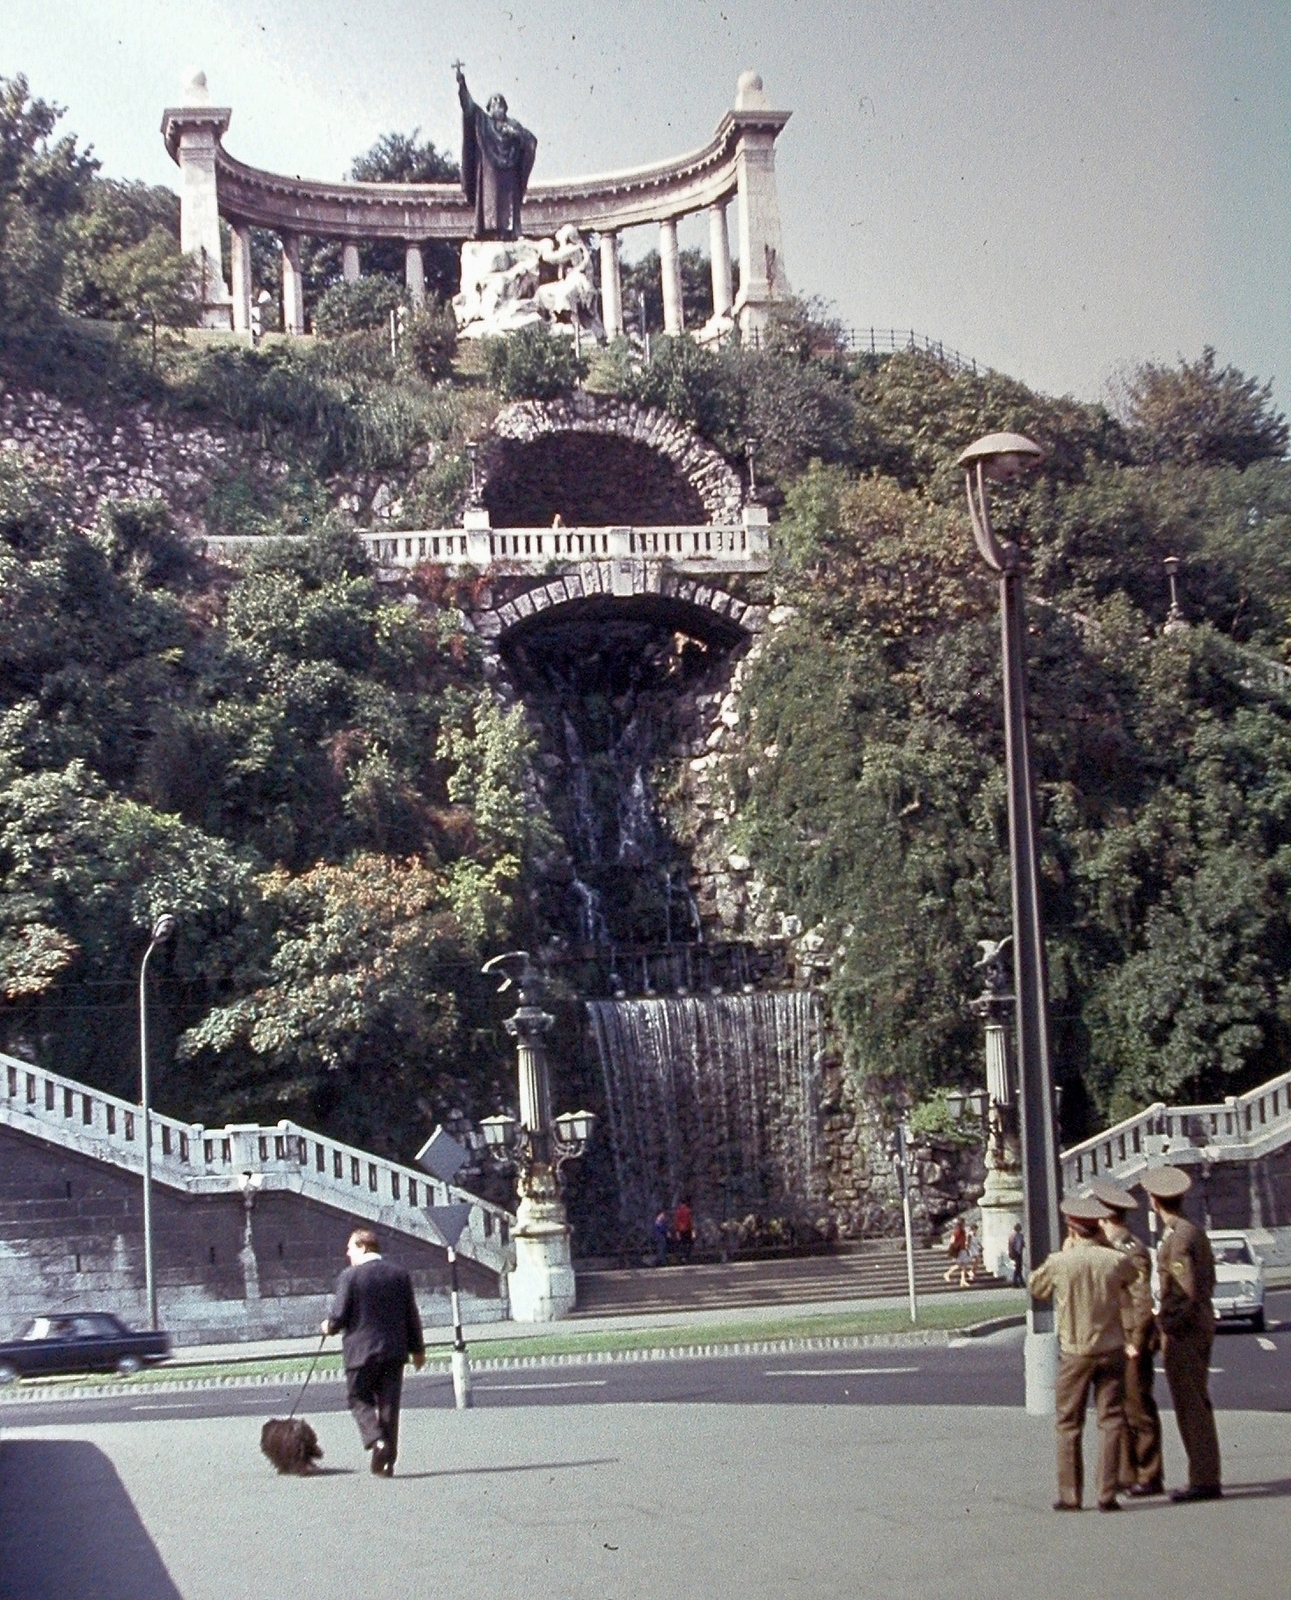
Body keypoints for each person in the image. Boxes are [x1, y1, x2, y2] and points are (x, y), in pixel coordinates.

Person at [1029, 1194, 1148, 1512]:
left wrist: (1066, 1254)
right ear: (1097, 1227)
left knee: (1069, 1423)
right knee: (1111, 1420)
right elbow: (1134, 1282)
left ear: (1071, 1229)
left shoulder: (1060, 1262)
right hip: (1110, 1349)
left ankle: (1071, 1494)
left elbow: (1036, 1288)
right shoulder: (1114, 1260)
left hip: (1075, 1351)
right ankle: (1107, 1493)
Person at [1140, 1165, 1222, 1501]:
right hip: (1198, 1325)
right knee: (1196, 1403)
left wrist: (1167, 1324)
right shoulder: (1192, 1230)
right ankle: (1204, 1475)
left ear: (1155, 1200)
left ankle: (1203, 1479)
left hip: (1185, 1332)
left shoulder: (1177, 1240)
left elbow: (1185, 1291)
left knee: (1191, 1406)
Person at [321, 1227, 425, 1476]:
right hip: (393, 1351)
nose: (347, 1254)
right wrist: (418, 1349)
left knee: (358, 1399)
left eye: (350, 1248)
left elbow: (339, 1315)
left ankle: (376, 1441)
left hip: (360, 1353)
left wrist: (328, 1326)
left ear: (363, 1247)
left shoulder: (350, 1277)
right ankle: (387, 1462)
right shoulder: (399, 1274)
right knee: (389, 1405)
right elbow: (411, 1314)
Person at [1091, 1177, 1163, 1497]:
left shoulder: (1131, 1250)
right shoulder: (1111, 1249)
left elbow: (1141, 1300)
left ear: (1106, 1217)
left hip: (1132, 1342)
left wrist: (1135, 1339)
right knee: (1119, 1406)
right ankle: (1127, 1472)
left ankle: (1149, 1474)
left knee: (1138, 1408)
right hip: (1116, 1340)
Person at [456, 64, 538, 240]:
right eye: (493, 103)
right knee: (489, 201)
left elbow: (531, 141)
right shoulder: (483, 122)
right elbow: (469, 107)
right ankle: (489, 232)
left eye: (500, 103)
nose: (497, 106)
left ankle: (508, 232)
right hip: (489, 172)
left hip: (509, 174)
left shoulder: (513, 125)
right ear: (489, 108)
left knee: (508, 204)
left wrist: (515, 135)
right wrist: (462, 85)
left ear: (505, 108)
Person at [943, 1217, 967, 1283]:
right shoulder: (957, 1231)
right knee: (961, 1265)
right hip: (958, 1250)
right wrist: (955, 1247)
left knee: (963, 1265)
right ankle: (947, 1273)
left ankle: (963, 1280)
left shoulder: (962, 1231)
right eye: (963, 1223)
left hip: (962, 1249)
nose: (964, 1225)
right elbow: (952, 1240)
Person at [674, 1199, 694, 1264]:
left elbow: (676, 1222)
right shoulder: (688, 1211)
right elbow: (690, 1221)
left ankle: (682, 1257)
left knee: (681, 1244)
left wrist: (677, 1231)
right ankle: (687, 1257)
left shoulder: (678, 1211)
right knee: (689, 1243)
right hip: (687, 1229)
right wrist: (693, 1231)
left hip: (680, 1230)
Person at [1007, 1222, 1025, 1287]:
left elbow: (1022, 1243)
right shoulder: (1013, 1235)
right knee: (1018, 1267)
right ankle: (1016, 1282)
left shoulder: (1020, 1235)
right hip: (1015, 1252)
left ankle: (1019, 1282)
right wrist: (1011, 1253)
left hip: (1019, 1252)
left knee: (1019, 1267)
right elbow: (1011, 1245)